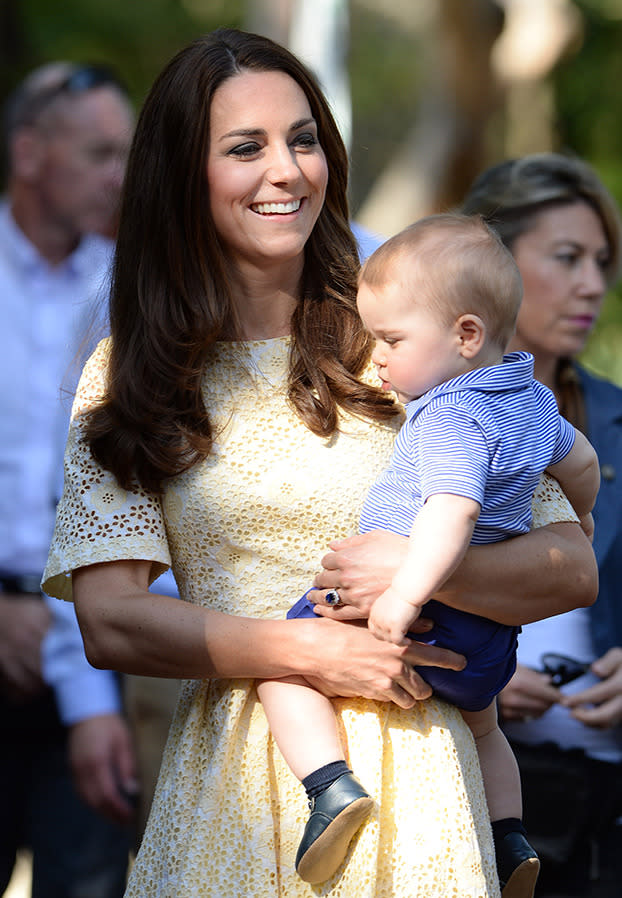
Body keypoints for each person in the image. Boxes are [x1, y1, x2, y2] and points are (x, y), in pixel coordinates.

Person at [41, 29, 597, 898]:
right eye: (244, 148)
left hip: (423, 779)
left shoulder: (407, 342)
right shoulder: (130, 369)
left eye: (304, 140)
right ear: (185, 174)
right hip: (236, 791)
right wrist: (303, 651)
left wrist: (430, 575)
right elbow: (110, 622)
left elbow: (570, 567)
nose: (287, 170)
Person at [260, 213, 599, 893]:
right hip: (488, 639)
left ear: (465, 335)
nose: (378, 356)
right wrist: (583, 516)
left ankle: (329, 788)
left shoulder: (449, 413)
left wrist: (404, 596)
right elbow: (583, 460)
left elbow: (451, 511)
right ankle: (509, 837)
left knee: (283, 667)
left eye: (391, 339)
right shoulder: (532, 399)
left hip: (417, 614)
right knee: (483, 727)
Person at [461, 151, 622, 898]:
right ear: (493, 258)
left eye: (601, 261)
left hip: (606, 816)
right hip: (468, 792)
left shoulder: (618, 419)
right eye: (567, 257)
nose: (592, 282)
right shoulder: (416, 411)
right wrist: (477, 668)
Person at [0, 61, 137, 896]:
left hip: (87, 642)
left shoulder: (127, 289)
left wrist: (87, 695)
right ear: (28, 152)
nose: (119, 177)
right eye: (98, 154)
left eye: (126, 155)